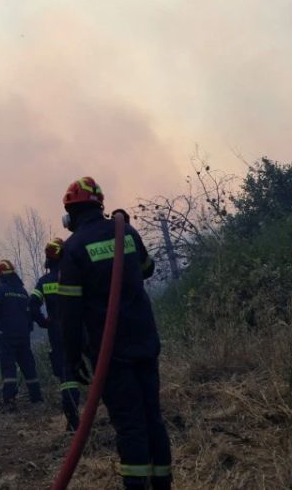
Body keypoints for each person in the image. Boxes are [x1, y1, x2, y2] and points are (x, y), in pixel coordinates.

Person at [57, 177, 173, 489]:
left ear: (71, 214)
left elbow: (69, 313)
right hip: (145, 343)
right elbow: (147, 269)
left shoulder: (74, 249)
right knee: (153, 419)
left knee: (130, 425)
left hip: (112, 355)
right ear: (100, 206)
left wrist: (72, 356)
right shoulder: (127, 232)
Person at [31, 237, 82, 431]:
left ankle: (73, 421)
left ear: (48, 260)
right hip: (82, 328)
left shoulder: (44, 282)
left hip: (58, 333)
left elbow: (32, 305)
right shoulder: (75, 274)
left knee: (66, 376)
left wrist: (44, 322)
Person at [0, 259, 43, 409]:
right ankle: (37, 399)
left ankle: (10, 401)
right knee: (28, 365)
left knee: (8, 367)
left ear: (0, 274)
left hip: (7, 335)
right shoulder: (23, 292)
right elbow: (30, 312)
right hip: (23, 335)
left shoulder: (1, 289)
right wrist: (28, 328)